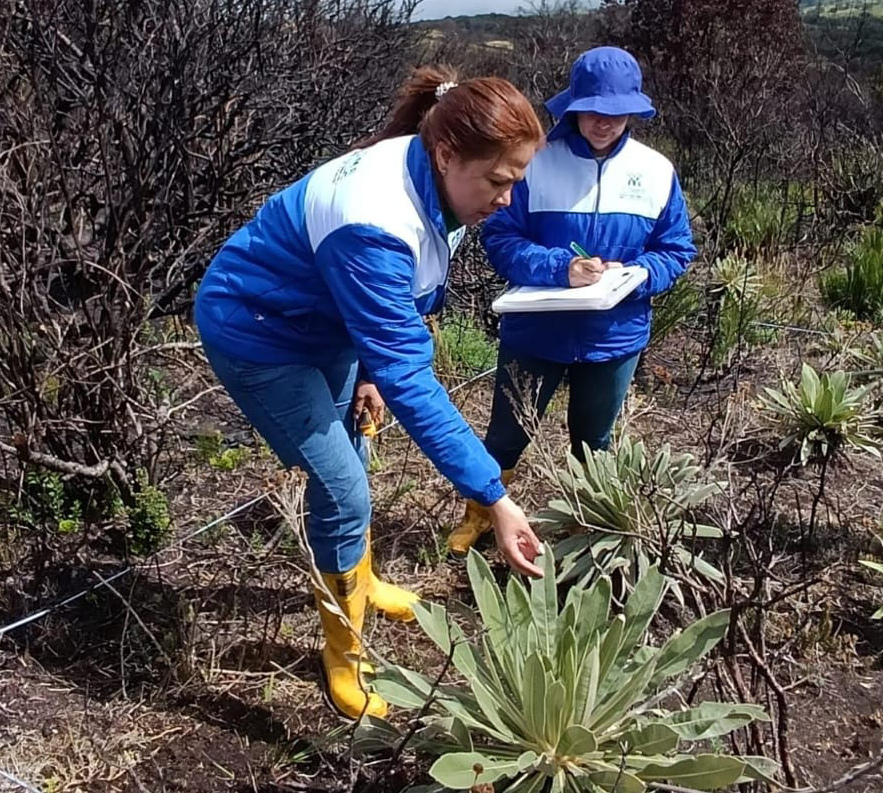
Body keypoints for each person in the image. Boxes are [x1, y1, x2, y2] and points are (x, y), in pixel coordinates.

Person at [194, 66, 545, 720]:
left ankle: (363, 580)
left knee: (354, 451)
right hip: (260, 335)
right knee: (343, 486)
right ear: (446, 154)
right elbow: (408, 368)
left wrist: (366, 371)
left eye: (516, 181)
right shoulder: (374, 220)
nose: (506, 198)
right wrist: (492, 495)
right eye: (498, 181)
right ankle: (343, 658)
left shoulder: (436, 178)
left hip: (320, 323)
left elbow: (392, 306)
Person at [448, 46, 697, 557]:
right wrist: (561, 268)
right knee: (506, 435)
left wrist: (640, 275)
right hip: (537, 332)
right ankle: (478, 516)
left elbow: (676, 248)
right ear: (572, 107)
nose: (603, 122)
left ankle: (591, 529)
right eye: (592, 110)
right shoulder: (534, 164)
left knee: (595, 443)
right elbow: (500, 237)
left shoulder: (656, 171)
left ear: (633, 111)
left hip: (615, 337)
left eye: (616, 112)